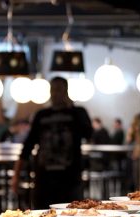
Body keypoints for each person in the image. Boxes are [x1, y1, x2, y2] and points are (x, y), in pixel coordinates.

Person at [11, 76, 93, 209]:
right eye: (53, 90)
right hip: (44, 177)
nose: (55, 93)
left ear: (66, 92)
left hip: (70, 177)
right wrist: (16, 175)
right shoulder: (41, 115)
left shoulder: (78, 113)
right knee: (42, 212)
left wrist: (71, 106)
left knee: (71, 212)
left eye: (59, 89)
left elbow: (88, 134)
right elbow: (28, 145)